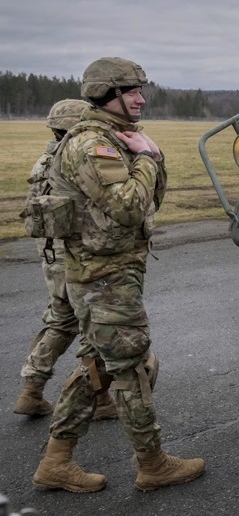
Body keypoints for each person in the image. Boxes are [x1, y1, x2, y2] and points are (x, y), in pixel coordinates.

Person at [31, 57, 204, 493]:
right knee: (134, 367)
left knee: (97, 366)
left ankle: (56, 461)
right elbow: (128, 208)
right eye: (132, 92)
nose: (141, 98)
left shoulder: (114, 137)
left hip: (109, 274)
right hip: (103, 278)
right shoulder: (93, 144)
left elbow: (151, 201)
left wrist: (151, 155)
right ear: (108, 94)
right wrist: (146, 158)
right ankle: (153, 464)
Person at [14, 99, 117, 422]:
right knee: (91, 326)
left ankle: (32, 388)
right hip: (76, 254)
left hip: (51, 253)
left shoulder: (44, 161)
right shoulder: (79, 160)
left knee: (61, 320)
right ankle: (98, 399)